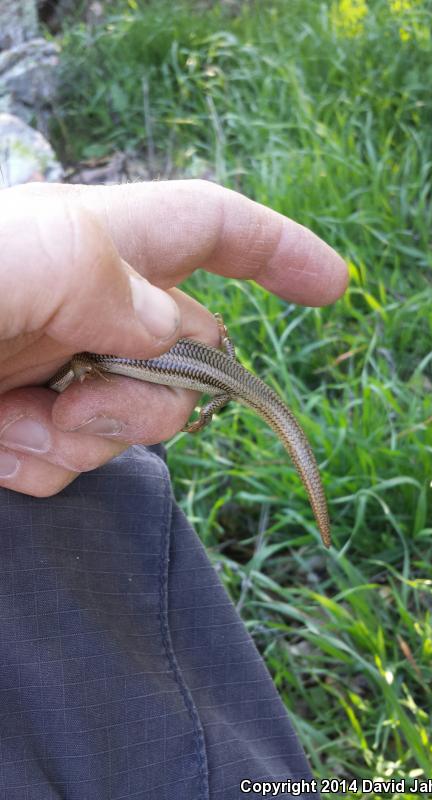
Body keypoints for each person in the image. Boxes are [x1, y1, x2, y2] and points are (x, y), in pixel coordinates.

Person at [0, 180, 347, 799]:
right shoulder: (76, 331)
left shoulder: (92, 347)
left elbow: (93, 359)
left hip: (197, 370)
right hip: (206, 371)